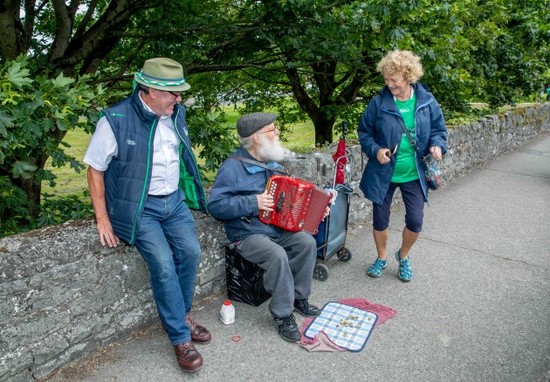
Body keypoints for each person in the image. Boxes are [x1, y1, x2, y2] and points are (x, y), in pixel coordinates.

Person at [84, 57, 210, 373]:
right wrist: (102, 218)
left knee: (191, 253)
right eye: (174, 93)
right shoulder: (115, 120)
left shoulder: (175, 114)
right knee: (164, 265)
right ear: (151, 90)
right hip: (142, 207)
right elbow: (94, 170)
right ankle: (180, 336)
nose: (179, 99)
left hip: (174, 202)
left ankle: (180, 315)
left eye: (180, 93)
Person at [208, 112, 321, 342]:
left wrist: (316, 210)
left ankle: (299, 298)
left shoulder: (272, 164)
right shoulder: (231, 168)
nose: (277, 132)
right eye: (272, 129)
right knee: (276, 255)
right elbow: (216, 206)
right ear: (258, 137)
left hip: (275, 228)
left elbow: (289, 201)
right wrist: (252, 202)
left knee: (307, 242)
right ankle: (282, 314)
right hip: (246, 233)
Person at [357, 50, 447, 282]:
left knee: (415, 221)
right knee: (380, 219)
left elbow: (439, 130)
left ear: (408, 76)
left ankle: (403, 256)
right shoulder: (378, 103)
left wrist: (437, 146)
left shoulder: (426, 101)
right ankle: (381, 257)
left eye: (394, 80)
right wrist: (376, 150)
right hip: (383, 173)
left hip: (413, 173)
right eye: (386, 79)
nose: (389, 85)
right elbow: (364, 132)